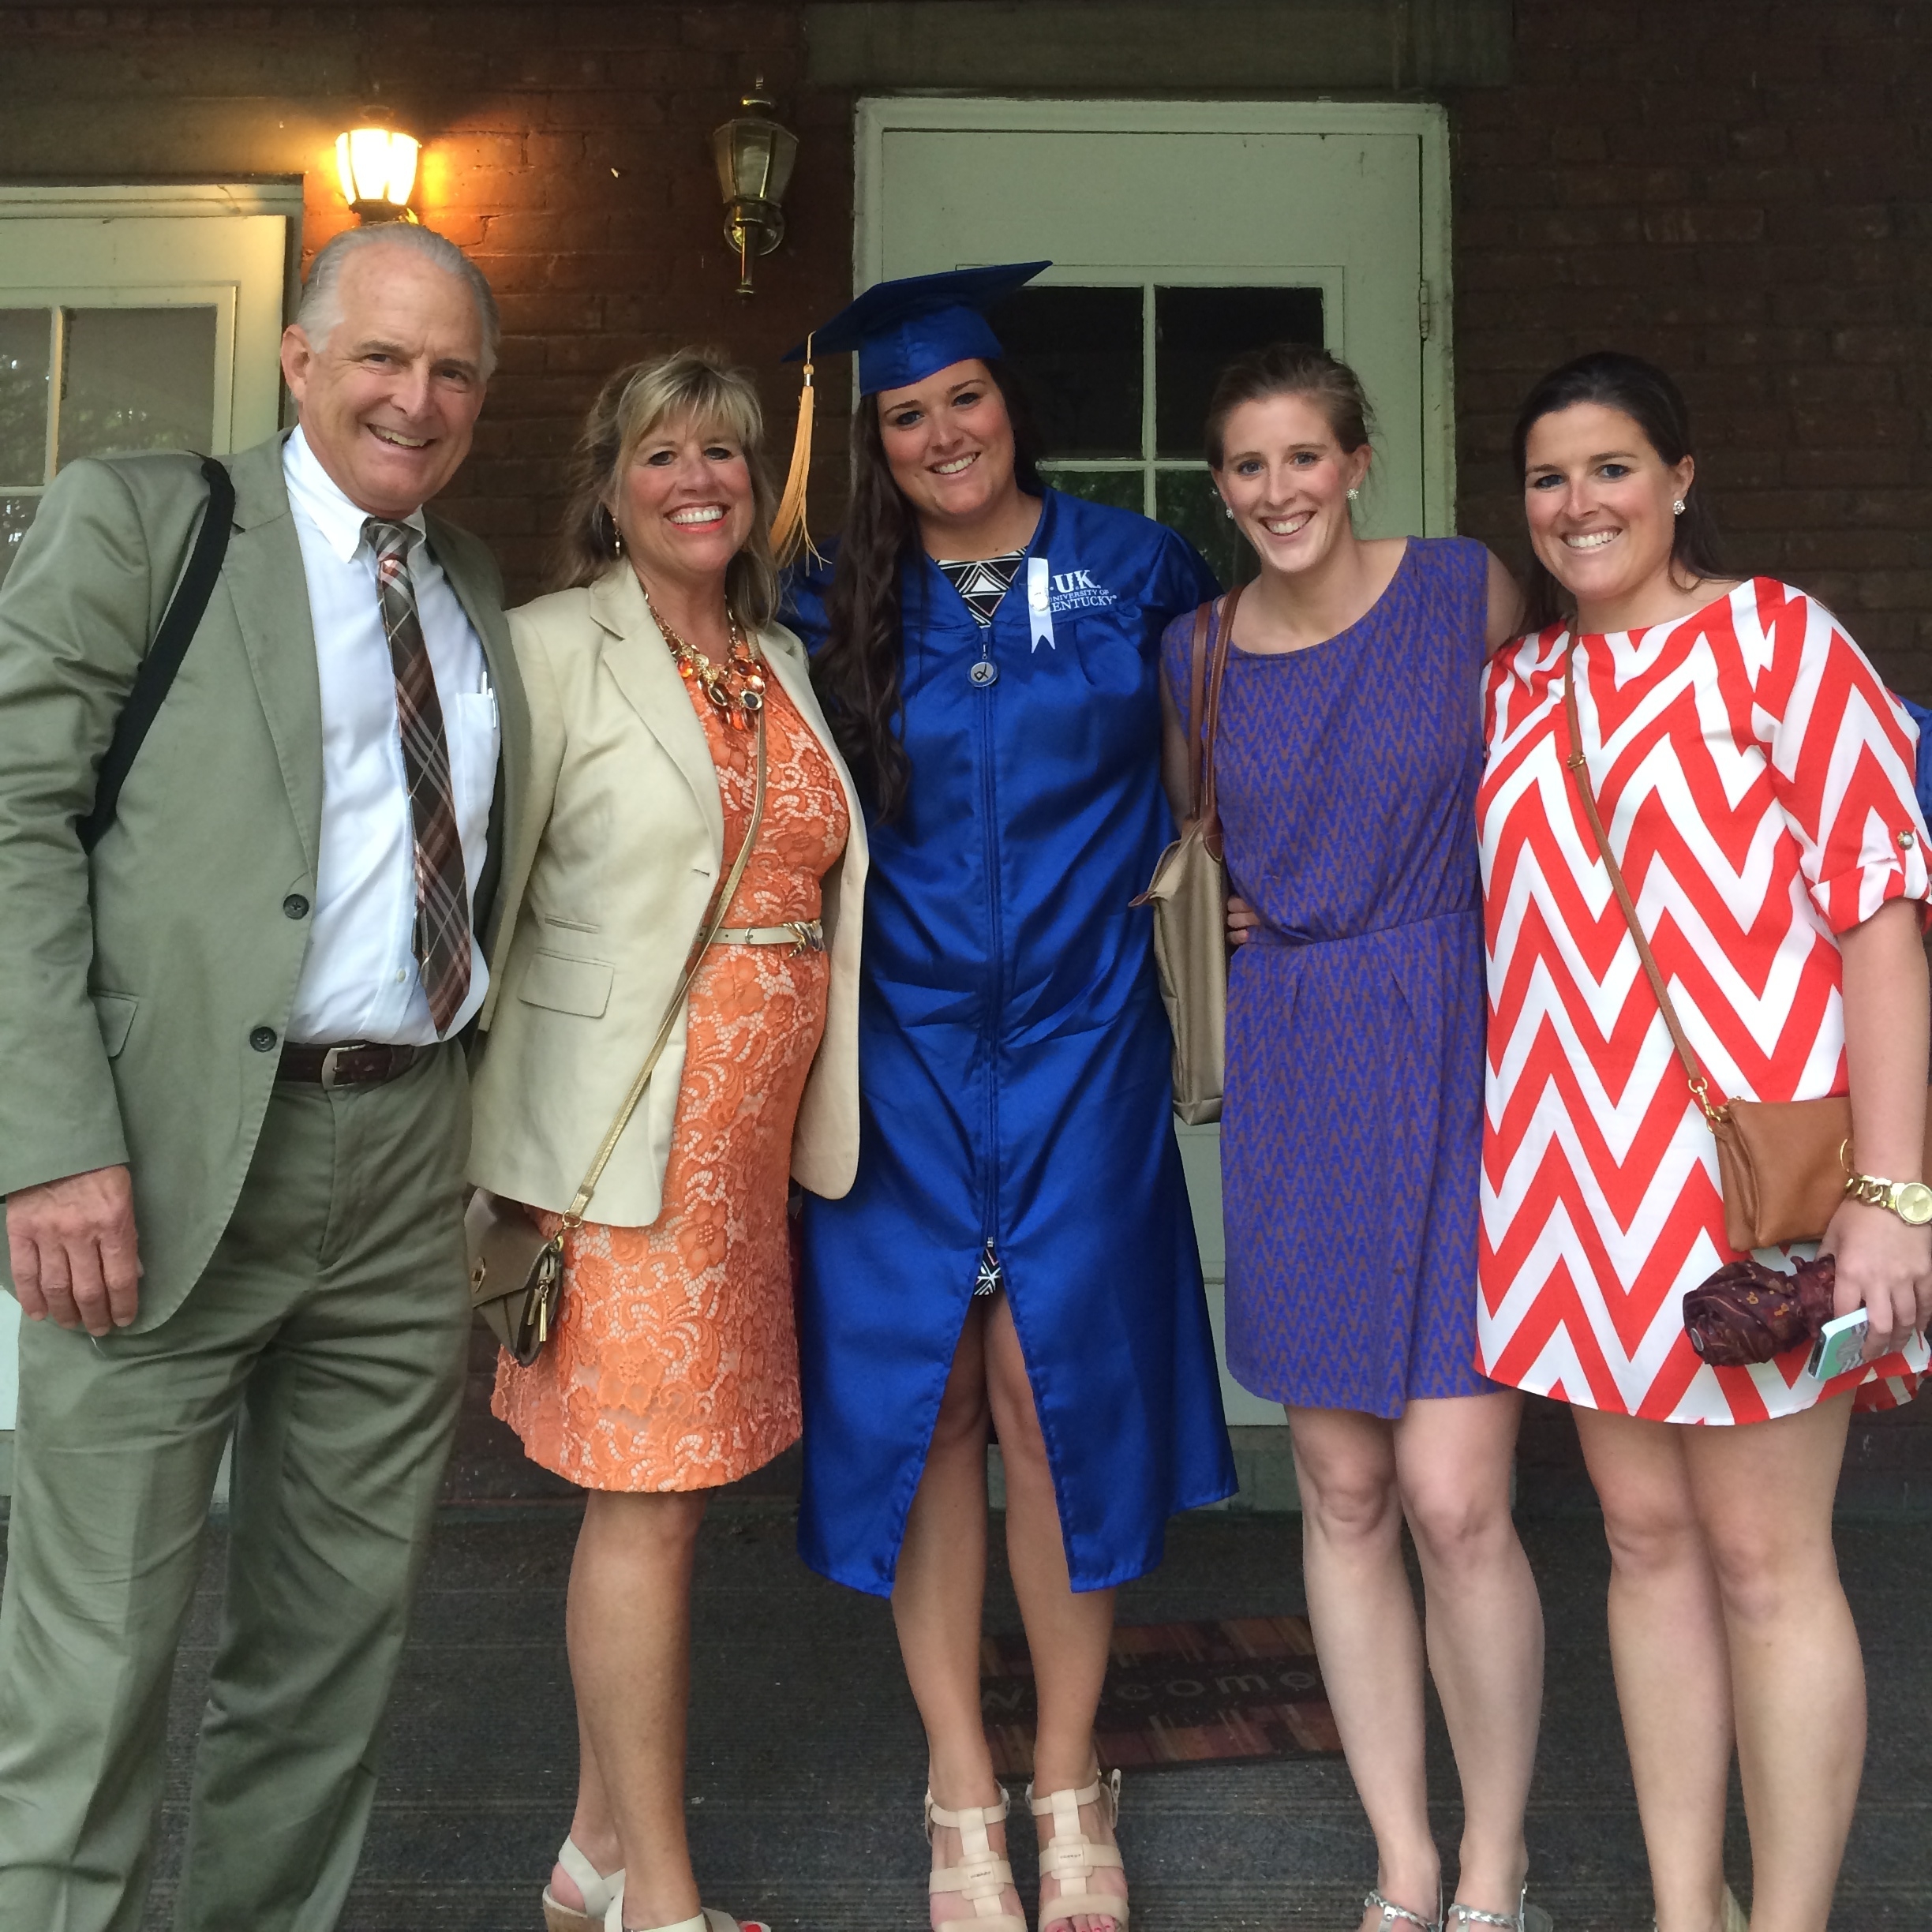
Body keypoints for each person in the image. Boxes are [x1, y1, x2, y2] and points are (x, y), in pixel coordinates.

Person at [0, 224, 527, 1929]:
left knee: (327, 1668)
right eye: (381, 356)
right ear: (299, 360)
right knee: (88, 1678)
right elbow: (13, 826)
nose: (415, 396)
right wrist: (46, 1142)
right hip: (154, 1170)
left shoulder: (475, 594)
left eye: (452, 369)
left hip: (402, 1171)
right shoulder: (148, 525)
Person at [783, 262, 1237, 1932]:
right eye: (905, 414)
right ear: (877, 440)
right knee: (933, 1411)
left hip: (1082, 1043)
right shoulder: (831, 596)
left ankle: (1068, 1778)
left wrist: (1235, 893)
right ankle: (959, 1784)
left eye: (961, 398)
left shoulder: (1137, 571)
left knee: (1058, 1406)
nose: (940, 433)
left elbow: (1212, 779)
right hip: (893, 1053)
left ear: (1008, 400)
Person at [1478, 350, 1932, 1932]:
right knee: (1647, 1540)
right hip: (1572, 1182)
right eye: (1549, 476)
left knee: (1764, 1559)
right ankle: (1690, 1907)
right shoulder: (1517, 689)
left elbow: (1883, 923)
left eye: (1613, 468)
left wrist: (1894, 1198)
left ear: (1680, 477)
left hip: (1761, 1192)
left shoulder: (1778, 642)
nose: (1579, 503)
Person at [467, 347, 867, 1932]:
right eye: (663, 454)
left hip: (744, 1162)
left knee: (666, 1503)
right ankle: (662, 1899)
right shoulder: (552, 650)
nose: (700, 478)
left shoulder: (779, 653)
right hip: (614, 1149)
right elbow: (481, 903)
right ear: (610, 485)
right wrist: (485, 1147)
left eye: (729, 453)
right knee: (646, 1503)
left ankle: (592, 1856)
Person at [1203, 344, 1548, 1932]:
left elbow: (1559, 768)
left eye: (1302, 458)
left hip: (1463, 1044)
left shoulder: (1465, 590)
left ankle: (1499, 1855)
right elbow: (1191, 852)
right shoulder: (1192, 658)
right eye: (1247, 468)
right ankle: (1405, 1855)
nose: (1278, 491)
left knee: (1458, 1494)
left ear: (1357, 460)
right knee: (1342, 1489)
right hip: (1296, 1067)